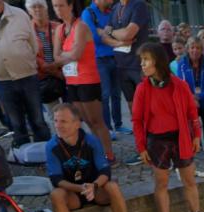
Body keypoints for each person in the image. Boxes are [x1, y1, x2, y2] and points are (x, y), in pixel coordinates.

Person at [132, 43, 204, 212]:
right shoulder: (142, 89)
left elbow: (192, 113)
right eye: (141, 60)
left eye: (146, 59)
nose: (142, 64)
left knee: (189, 180)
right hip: (157, 141)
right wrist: (141, 147)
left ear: (158, 62)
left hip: (180, 138)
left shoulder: (179, 85)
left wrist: (196, 136)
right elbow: (136, 120)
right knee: (161, 183)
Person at [47, 104, 141, 212]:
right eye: (55, 121)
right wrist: (81, 188)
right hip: (73, 193)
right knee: (56, 195)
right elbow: (56, 179)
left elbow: (105, 171)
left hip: (96, 190)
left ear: (77, 124)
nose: (58, 125)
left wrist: (93, 186)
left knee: (112, 186)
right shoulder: (51, 146)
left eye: (63, 121)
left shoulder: (91, 141)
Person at [0, 0, 51, 147]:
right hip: (1, 80)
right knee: (16, 123)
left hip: (27, 76)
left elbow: (33, 45)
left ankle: (44, 152)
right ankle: (23, 153)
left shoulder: (20, 14)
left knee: (38, 120)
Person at [51, 0, 116, 165]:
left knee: (96, 120)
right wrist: (66, 55)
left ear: (70, 6)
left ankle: (109, 155)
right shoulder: (59, 29)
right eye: (55, 6)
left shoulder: (80, 26)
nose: (58, 9)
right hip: (71, 80)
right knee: (84, 121)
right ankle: (97, 153)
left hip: (88, 79)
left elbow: (76, 55)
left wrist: (64, 54)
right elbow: (56, 57)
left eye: (61, 5)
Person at [98, 0, 150, 165]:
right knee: (133, 110)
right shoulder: (116, 8)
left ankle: (155, 146)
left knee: (148, 108)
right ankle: (141, 148)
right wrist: (119, 40)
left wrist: (112, 31)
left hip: (139, 65)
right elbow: (104, 36)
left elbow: (128, 34)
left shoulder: (138, 5)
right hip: (121, 65)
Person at [81, 0, 130, 140]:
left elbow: (121, 31)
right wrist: (111, 33)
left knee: (116, 94)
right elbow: (94, 37)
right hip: (99, 59)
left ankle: (118, 124)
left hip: (115, 56)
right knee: (105, 95)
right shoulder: (88, 13)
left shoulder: (112, 11)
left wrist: (105, 32)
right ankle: (107, 128)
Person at [26, 0, 65, 112]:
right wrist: (53, 71)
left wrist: (61, 71)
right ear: (29, 11)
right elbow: (30, 54)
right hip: (44, 78)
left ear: (46, 8)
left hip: (64, 74)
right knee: (53, 113)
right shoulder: (27, 31)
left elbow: (66, 48)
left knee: (72, 109)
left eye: (40, 6)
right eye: (34, 7)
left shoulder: (58, 27)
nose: (37, 9)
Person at [177, 36, 204, 139]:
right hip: (189, 103)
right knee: (191, 130)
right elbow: (182, 85)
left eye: (198, 48)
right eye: (192, 47)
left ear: (202, 50)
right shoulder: (182, 64)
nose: (195, 50)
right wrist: (192, 98)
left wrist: (199, 97)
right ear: (188, 49)